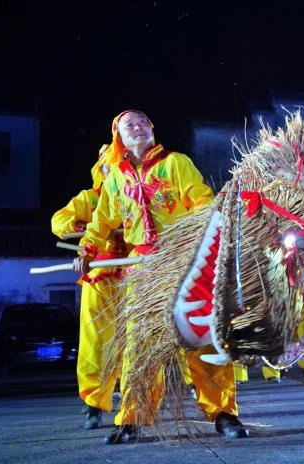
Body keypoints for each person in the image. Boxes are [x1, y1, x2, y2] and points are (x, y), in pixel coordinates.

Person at [77, 110, 247, 444]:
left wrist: (199, 240)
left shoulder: (176, 164)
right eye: (130, 125)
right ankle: (132, 419)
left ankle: (224, 414)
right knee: (140, 347)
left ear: (152, 129)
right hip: (142, 271)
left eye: (143, 123)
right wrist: (86, 250)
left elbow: (202, 203)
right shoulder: (115, 180)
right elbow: (101, 221)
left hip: (182, 263)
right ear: (119, 138)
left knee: (201, 337)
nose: (138, 127)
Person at [51, 144, 126, 430]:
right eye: (110, 167)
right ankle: (94, 404)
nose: (115, 172)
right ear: (101, 170)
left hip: (137, 274)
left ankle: (136, 404)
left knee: (135, 340)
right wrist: (86, 227)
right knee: (96, 341)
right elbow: (58, 222)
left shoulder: (138, 193)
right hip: (101, 275)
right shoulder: (91, 198)